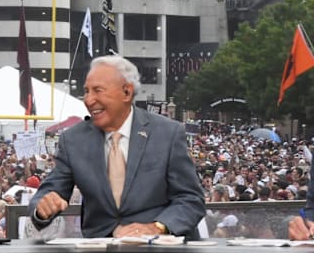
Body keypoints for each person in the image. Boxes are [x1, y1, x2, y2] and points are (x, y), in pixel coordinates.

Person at [28, 55, 205, 238]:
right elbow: (48, 192)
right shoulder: (73, 140)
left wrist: (158, 227)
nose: (89, 100)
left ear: (127, 93)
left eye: (98, 90)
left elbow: (191, 199)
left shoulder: (168, 133)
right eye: (87, 91)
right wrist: (43, 208)